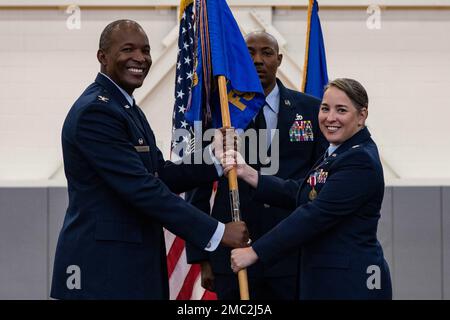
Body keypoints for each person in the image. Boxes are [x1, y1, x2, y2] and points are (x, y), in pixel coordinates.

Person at [50, 19, 249, 300]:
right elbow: (142, 188)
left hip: (129, 267)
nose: (140, 59)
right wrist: (217, 233)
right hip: (101, 272)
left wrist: (216, 161)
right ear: (102, 57)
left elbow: (161, 174)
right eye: (128, 49)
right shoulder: (96, 112)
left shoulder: (127, 108)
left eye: (145, 50)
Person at [185, 31, 327, 300]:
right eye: (249, 52)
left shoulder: (310, 110)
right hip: (232, 255)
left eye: (267, 53)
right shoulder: (219, 111)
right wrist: (202, 257)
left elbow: (317, 187)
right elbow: (198, 190)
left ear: (280, 59)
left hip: (290, 254)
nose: (258, 60)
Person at [227, 78, 392, 300]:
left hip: (349, 284)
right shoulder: (338, 151)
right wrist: (248, 172)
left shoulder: (358, 159)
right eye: (325, 108)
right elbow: (302, 193)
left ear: (361, 116)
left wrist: (255, 252)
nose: (330, 118)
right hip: (327, 279)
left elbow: (314, 214)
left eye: (341, 110)